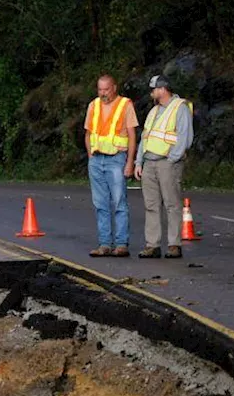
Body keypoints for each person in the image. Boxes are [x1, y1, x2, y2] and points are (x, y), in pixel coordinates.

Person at [134, 75, 194, 258]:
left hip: (168, 162)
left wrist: (172, 159)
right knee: (151, 205)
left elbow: (185, 136)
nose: (151, 92)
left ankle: (174, 244)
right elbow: (145, 138)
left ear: (162, 89)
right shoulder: (154, 111)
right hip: (150, 162)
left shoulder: (180, 108)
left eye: (153, 89)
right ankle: (153, 244)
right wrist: (139, 161)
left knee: (172, 203)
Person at [83, 74, 139, 257]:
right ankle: (104, 244)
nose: (103, 93)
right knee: (100, 204)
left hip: (116, 159)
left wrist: (130, 162)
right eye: (100, 89)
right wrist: (91, 156)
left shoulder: (125, 105)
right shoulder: (93, 105)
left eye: (106, 89)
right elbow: (88, 134)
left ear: (114, 87)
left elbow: (132, 136)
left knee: (119, 203)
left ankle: (121, 244)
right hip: (97, 160)